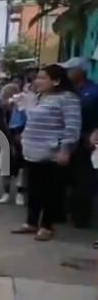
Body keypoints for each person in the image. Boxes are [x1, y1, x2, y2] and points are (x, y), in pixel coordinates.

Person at [12, 64, 81, 241]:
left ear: (56, 81)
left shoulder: (68, 99)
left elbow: (72, 127)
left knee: (50, 192)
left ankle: (47, 226)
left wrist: (65, 149)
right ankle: (31, 222)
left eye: (43, 78)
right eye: (37, 78)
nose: (38, 81)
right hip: (32, 151)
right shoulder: (40, 97)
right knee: (33, 189)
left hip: (52, 152)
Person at [60, 57, 98, 228]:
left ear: (79, 72)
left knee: (83, 181)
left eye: (70, 70)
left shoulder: (93, 91)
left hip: (87, 143)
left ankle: (81, 217)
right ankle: (68, 212)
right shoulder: (69, 91)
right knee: (69, 180)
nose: (67, 73)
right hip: (70, 141)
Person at [0, 83, 27, 205]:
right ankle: (6, 193)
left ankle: (20, 193)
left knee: (21, 169)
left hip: (19, 141)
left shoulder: (21, 107)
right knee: (6, 169)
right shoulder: (0, 109)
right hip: (5, 140)